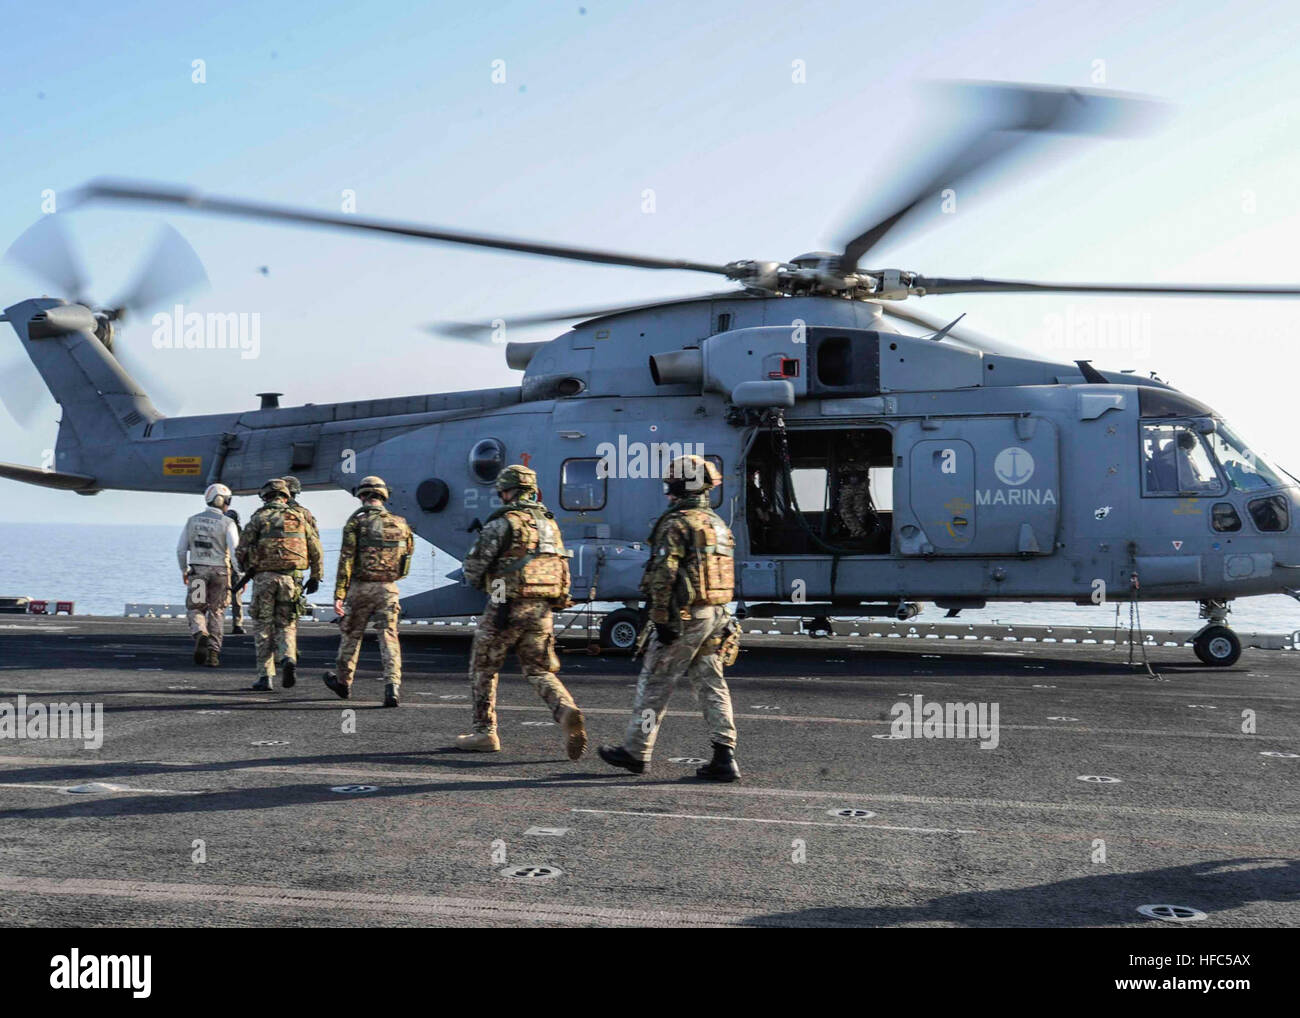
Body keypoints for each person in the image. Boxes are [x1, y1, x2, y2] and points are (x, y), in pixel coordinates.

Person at [599, 455, 742, 781]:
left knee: (655, 684)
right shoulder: (717, 524)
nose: (666, 493)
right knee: (712, 684)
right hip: (716, 614)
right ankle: (725, 755)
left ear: (679, 487)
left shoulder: (676, 523)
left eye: (669, 486)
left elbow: (664, 575)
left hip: (685, 618)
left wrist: (661, 618)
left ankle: (636, 752)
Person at [455, 464, 587, 759]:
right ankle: (565, 709)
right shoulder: (550, 524)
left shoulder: (503, 522)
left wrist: (481, 581)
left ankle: (484, 731)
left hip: (506, 605)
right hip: (542, 608)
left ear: (506, 490)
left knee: (483, 667)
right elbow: (562, 565)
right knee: (539, 669)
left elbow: (474, 567)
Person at [322, 476, 414, 707]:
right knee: (389, 637)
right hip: (389, 589)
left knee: (351, 636)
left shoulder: (356, 524)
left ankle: (343, 683)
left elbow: (346, 562)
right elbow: (407, 560)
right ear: (384, 496)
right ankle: (392, 687)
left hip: (361, 588)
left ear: (362, 496)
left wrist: (339, 596)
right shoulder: (402, 523)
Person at [236, 478, 322, 691]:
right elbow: (316, 549)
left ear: (265, 497)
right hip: (291, 579)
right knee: (287, 623)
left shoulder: (259, 517)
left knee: (263, 625)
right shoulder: (300, 518)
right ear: (286, 496)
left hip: (264, 579)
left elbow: (242, 549)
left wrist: (247, 568)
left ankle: (265, 676)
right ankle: (289, 657)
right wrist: (315, 576)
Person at [177, 483, 240, 667]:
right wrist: (239, 572)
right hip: (220, 573)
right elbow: (235, 551)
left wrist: (183, 570)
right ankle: (213, 653)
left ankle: (200, 633)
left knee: (196, 608)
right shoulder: (228, 523)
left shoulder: (192, 521)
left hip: (198, 572)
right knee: (217, 612)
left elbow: (181, 550)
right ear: (222, 501)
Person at [283, 476, 319, 618]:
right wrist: (316, 576)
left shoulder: (265, 514)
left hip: (267, 575)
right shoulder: (304, 514)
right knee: (290, 619)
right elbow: (315, 547)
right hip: (295, 573)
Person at [223, 503, 246, 633]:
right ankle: (237, 624)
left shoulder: (221, 529)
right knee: (236, 598)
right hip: (234, 569)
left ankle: (215, 623)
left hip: (224, 567)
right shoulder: (241, 533)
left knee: (219, 597)